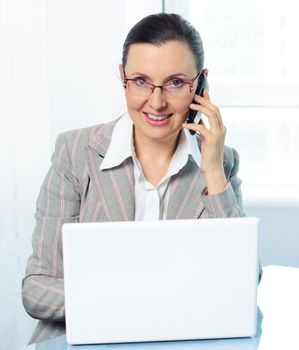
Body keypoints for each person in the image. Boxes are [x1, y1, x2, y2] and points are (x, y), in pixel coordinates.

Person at [21, 13, 261, 344]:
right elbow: (37, 289)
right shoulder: (74, 154)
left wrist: (214, 173)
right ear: (123, 77)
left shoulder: (222, 162)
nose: (157, 101)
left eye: (176, 82)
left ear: (201, 85)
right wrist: (141, 303)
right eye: (140, 81)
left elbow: (242, 285)